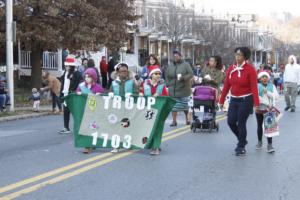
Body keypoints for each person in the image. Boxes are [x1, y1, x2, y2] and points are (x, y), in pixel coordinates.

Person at [219, 47, 259, 156]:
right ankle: (242, 139)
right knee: (230, 122)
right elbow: (227, 85)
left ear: (245, 57)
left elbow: (254, 87)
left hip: (246, 99)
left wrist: (256, 104)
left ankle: (241, 146)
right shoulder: (231, 68)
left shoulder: (250, 69)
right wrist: (221, 100)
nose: (237, 57)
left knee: (241, 123)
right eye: (236, 54)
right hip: (234, 99)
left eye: (240, 55)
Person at [109, 62, 139, 153]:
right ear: (117, 72)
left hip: (129, 108)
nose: (124, 73)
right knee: (117, 127)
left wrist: (132, 95)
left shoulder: (131, 82)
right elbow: (110, 93)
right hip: (117, 108)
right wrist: (110, 94)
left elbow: (137, 93)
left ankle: (129, 144)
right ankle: (116, 146)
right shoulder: (114, 83)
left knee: (128, 126)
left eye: (125, 71)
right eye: (122, 71)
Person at [139, 66, 168, 155]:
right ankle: (151, 144)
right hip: (147, 110)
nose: (158, 75)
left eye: (159, 74)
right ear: (151, 75)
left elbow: (166, 97)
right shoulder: (145, 84)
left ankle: (156, 147)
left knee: (158, 129)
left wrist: (160, 96)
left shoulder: (162, 85)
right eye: (156, 74)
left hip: (158, 110)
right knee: (149, 128)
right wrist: (140, 94)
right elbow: (141, 92)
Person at [76, 68, 104, 154]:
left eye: (89, 77)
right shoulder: (81, 86)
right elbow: (77, 93)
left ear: (93, 77)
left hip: (94, 110)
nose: (87, 78)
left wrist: (99, 95)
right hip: (84, 109)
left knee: (94, 127)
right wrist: (78, 93)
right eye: (86, 76)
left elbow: (102, 98)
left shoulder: (98, 87)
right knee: (85, 128)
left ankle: (93, 143)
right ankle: (87, 146)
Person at [165, 50, 193, 126]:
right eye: (174, 56)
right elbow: (167, 75)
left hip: (183, 89)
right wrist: (167, 83)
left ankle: (187, 120)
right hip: (173, 90)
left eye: (177, 56)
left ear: (180, 56)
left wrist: (183, 78)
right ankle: (174, 121)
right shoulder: (170, 65)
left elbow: (191, 74)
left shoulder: (186, 65)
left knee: (185, 106)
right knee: (174, 107)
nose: (175, 58)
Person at [255, 71, 279, 153]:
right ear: (260, 78)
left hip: (269, 109)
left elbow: (276, 97)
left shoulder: (272, 86)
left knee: (269, 127)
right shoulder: (257, 86)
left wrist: (267, 92)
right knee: (259, 125)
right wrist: (266, 103)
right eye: (262, 77)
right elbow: (256, 97)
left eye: (266, 77)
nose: (264, 78)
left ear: (268, 78)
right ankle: (259, 142)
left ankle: (269, 145)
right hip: (260, 108)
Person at [58, 57, 83, 134]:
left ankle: (79, 128)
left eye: (68, 66)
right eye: (66, 66)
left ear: (72, 66)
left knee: (75, 113)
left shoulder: (77, 74)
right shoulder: (65, 73)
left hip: (73, 95)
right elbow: (63, 85)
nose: (66, 67)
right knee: (66, 111)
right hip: (66, 95)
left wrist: (76, 92)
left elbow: (80, 85)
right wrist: (61, 95)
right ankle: (66, 127)